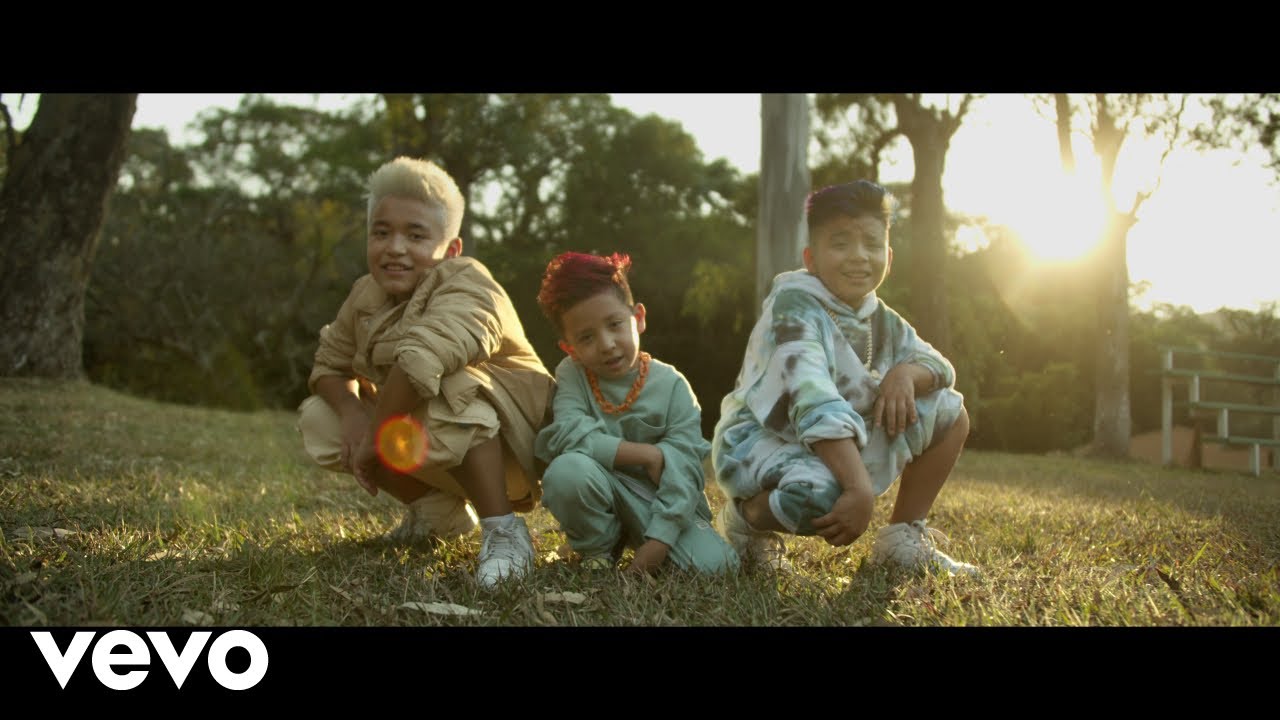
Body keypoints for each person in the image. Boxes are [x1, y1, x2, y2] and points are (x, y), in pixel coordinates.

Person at [297, 156, 555, 588]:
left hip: (516, 450)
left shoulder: (469, 281)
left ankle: (504, 532)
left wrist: (373, 438)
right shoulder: (366, 293)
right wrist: (354, 413)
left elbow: (422, 361)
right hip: (441, 437)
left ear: (451, 249)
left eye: (415, 235)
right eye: (381, 232)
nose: (395, 248)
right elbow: (328, 364)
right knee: (322, 417)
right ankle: (439, 516)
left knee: (451, 382)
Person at [711, 180, 978, 576]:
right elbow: (811, 399)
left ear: (888, 256)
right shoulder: (793, 308)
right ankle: (745, 522)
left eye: (872, 244)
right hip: (760, 441)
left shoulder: (880, 317)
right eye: (840, 244)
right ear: (811, 259)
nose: (859, 256)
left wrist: (906, 374)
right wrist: (857, 487)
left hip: (832, 442)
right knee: (821, 495)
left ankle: (901, 539)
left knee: (949, 412)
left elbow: (939, 366)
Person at [533, 251, 738, 575]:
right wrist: (646, 455)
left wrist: (659, 542)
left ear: (638, 317)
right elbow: (569, 434)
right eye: (586, 337)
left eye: (615, 325)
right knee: (566, 471)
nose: (607, 344)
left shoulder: (672, 385)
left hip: (658, 501)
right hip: (600, 489)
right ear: (570, 348)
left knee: (718, 567)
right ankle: (599, 548)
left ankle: (650, 539)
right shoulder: (572, 374)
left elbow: (684, 468)